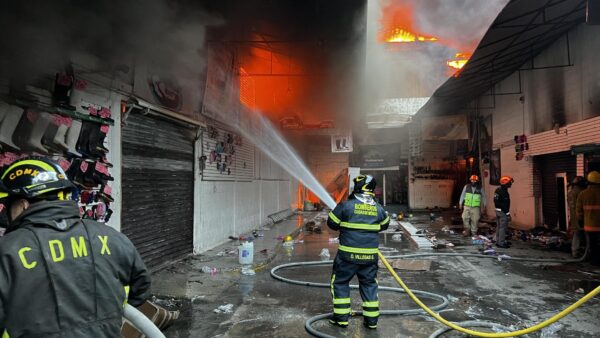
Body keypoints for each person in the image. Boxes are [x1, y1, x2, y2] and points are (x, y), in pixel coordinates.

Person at [0, 157, 151, 337]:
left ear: (23, 204)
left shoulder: (7, 251)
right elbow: (141, 286)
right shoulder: (109, 237)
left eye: (7, 206)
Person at [327, 175, 390, 329]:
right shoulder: (378, 208)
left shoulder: (346, 205)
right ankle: (371, 321)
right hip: (369, 258)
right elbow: (385, 224)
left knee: (340, 283)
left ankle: (341, 319)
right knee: (369, 285)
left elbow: (332, 223)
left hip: (346, 257)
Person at [576, 171, 600, 266]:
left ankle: (594, 261)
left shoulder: (583, 194)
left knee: (592, 244)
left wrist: (580, 221)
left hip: (590, 226)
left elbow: (579, 211)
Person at [568, 176, 587, 258]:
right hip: (582, 217)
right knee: (585, 235)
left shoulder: (570, 193)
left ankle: (575, 252)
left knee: (577, 234)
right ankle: (584, 252)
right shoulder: (582, 192)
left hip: (574, 217)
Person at [494, 175, 514, 248]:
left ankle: (498, 241)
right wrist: (508, 214)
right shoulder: (504, 192)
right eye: (509, 183)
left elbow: (496, 201)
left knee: (499, 227)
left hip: (497, 211)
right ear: (505, 183)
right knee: (503, 228)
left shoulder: (497, 190)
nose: (510, 184)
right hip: (502, 212)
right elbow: (505, 205)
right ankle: (501, 243)